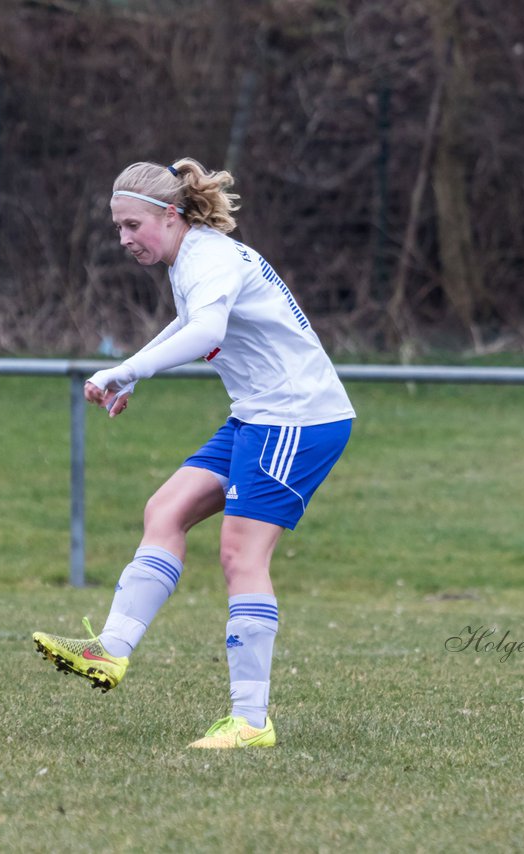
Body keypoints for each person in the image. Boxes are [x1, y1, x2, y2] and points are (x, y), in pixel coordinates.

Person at [32, 158, 355, 749]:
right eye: (118, 228)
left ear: (170, 215)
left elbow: (206, 335)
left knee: (240, 554)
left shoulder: (208, 258)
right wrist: (135, 375)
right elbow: (188, 323)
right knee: (167, 509)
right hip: (258, 413)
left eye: (133, 226)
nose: (124, 239)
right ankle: (110, 652)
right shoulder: (193, 256)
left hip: (296, 418)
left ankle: (251, 722)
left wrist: (123, 368)